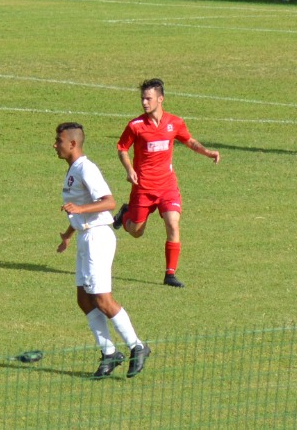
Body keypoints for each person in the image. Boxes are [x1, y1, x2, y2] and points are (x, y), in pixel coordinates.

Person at [55, 122, 150, 379]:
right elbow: (82, 205)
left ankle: (137, 346)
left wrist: (79, 211)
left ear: (73, 143)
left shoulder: (87, 168)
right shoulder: (73, 169)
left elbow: (108, 201)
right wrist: (68, 233)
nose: (55, 145)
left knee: (102, 300)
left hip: (98, 237)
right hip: (86, 237)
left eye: (59, 140)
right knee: (84, 299)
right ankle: (109, 353)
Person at [112, 79, 220, 287]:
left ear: (160, 99)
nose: (144, 102)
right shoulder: (135, 126)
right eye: (142, 98)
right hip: (143, 188)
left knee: (172, 223)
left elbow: (189, 141)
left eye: (148, 98)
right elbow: (122, 149)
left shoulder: (174, 123)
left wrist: (208, 152)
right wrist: (129, 169)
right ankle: (125, 215)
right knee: (136, 231)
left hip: (167, 186)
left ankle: (170, 274)